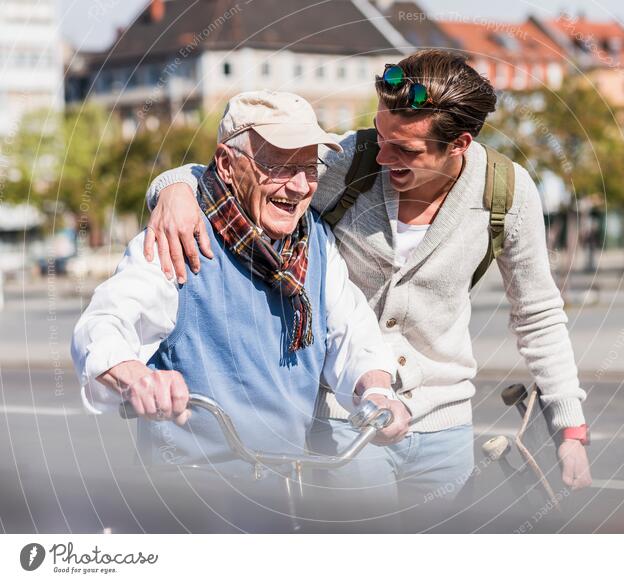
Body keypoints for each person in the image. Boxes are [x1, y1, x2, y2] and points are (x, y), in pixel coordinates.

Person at [141, 50, 592, 526]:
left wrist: (569, 428)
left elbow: (538, 315)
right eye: (380, 136)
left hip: (446, 422)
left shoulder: (507, 193)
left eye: (406, 150)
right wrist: (172, 189)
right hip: (344, 416)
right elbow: (237, 170)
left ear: (459, 143)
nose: (383, 155)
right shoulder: (350, 163)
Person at [70, 91, 405, 527]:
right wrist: (137, 377)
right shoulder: (182, 237)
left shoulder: (315, 241)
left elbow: (351, 332)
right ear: (227, 166)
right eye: (280, 166)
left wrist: (376, 391)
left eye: (308, 167)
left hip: (286, 489)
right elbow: (104, 323)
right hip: (188, 494)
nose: (300, 186)